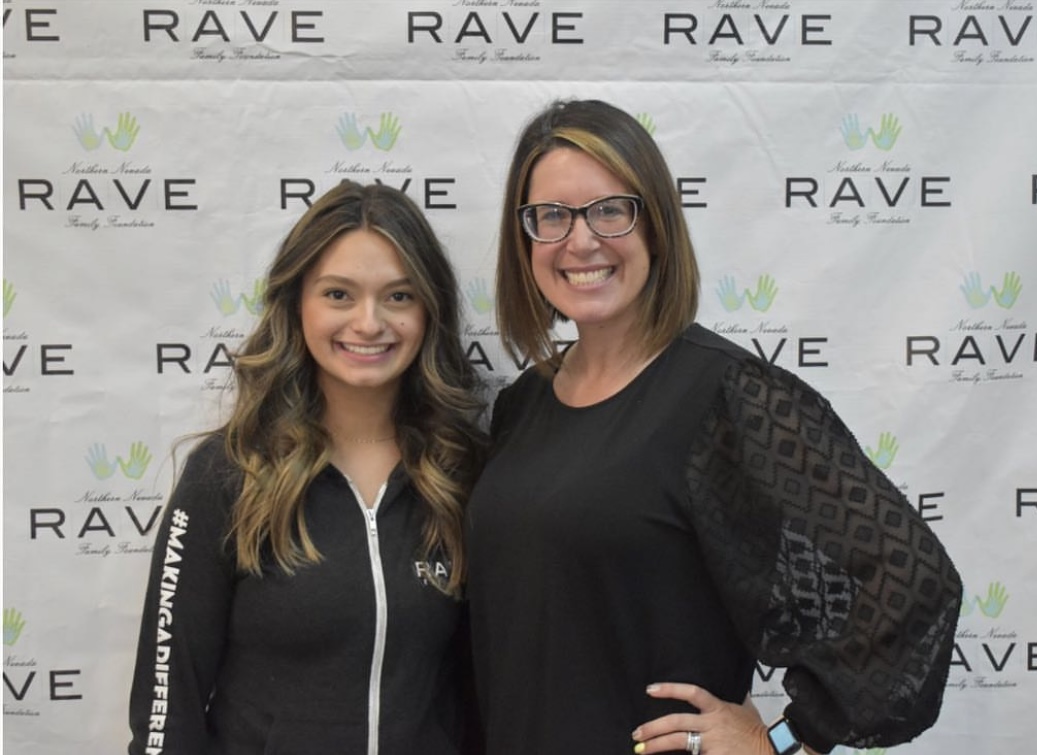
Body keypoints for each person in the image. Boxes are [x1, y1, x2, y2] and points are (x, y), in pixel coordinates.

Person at [466, 99, 963, 755]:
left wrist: (786, 738)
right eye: (551, 216)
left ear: (656, 225)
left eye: (610, 209)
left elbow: (910, 584)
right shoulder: (523, 404)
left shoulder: (727, 397)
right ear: (524, 237)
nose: (579, 240)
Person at [127, 180, 487, 755]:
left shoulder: (462, 474)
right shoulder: (228, 472)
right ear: (297, 305)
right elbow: (167, 706)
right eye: (339, 294)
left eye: (399, 296)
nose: (369, 323)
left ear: (430, 310)